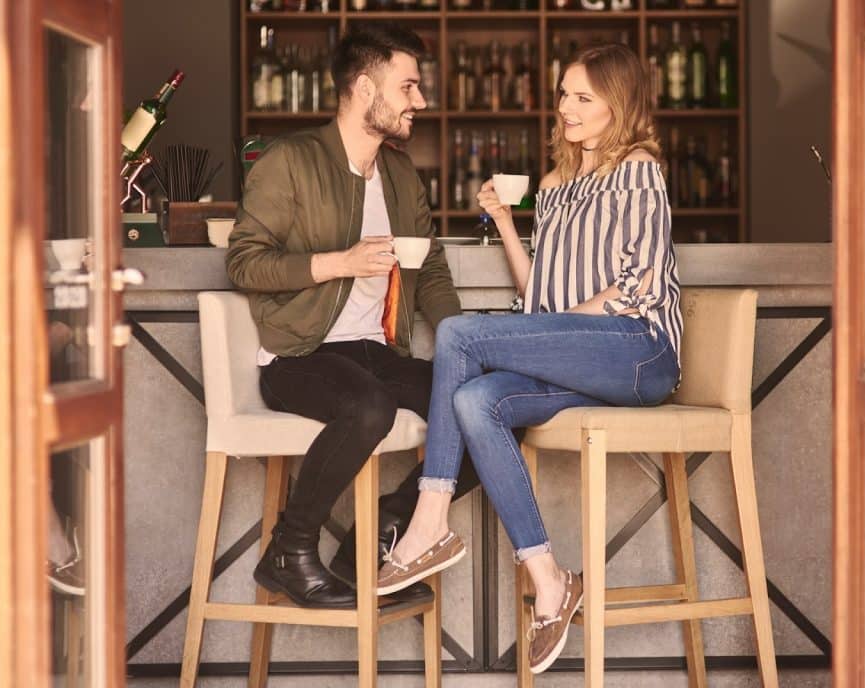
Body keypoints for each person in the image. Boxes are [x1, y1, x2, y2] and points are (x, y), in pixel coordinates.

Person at [374, 43, 684, 674]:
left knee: (460, 335)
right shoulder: (553, 184)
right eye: (564, 93)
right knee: (474, 400)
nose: (565, 107)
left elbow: (638, 284)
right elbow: (537, 293)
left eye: (582, 98)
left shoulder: (639, 168)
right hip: (581, 356)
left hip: (638, 352)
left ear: (616, 106)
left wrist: (548, 333)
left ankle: (429, 518)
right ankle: (550, 579)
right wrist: (506, 223)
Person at [225, 23, 482, 609]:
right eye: (409, 87)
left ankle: (382, 536)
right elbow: (243, 262)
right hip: (300, 355)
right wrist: (339, 262)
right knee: (371, 405)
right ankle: (289, 550)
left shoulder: (399, 173)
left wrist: (460, 342)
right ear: (367, 88)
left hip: (375, 353)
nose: (420, 101)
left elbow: (432, 269)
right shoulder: (290, 161)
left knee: (491, 406)